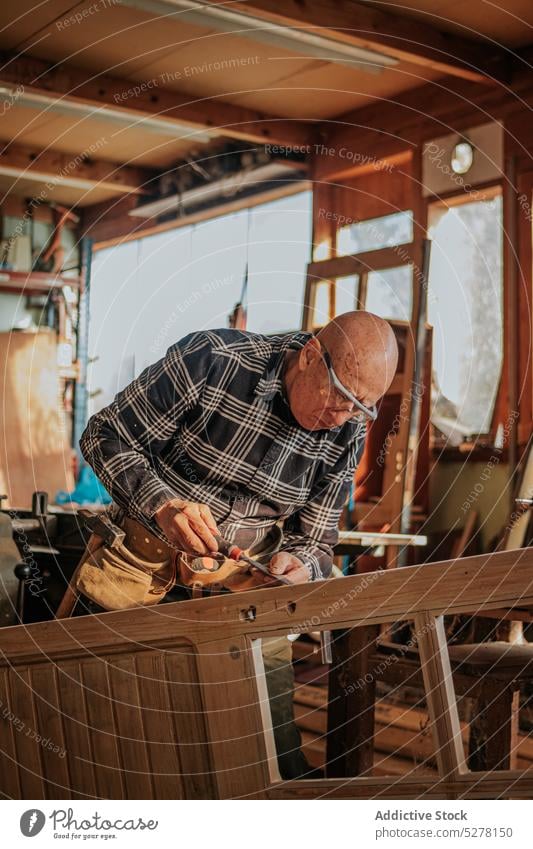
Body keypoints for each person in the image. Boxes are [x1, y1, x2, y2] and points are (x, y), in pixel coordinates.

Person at [79, 310, 398, 778]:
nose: (343, 417)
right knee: (104, 735)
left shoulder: (346, 429)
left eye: (361, 408)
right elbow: (105, 435)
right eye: (342, 397)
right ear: (310, 356)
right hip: (143, 562)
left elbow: (316, 540)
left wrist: (300, 563)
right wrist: (165, 506)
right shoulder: (214, 360)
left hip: (244, 586)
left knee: (270, 751)